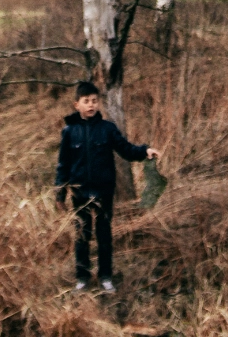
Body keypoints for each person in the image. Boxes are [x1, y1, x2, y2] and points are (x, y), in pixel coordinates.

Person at [54, 79, 160, 292]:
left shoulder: (107, 129)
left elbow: (126, 149)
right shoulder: (69, 132)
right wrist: (59, 194)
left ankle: (105, 277)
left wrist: (144, 151)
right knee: (82, 236)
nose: (91, 105)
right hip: (79, 192)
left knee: (104, 235)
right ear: (77, 105)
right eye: (86, 101)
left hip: (104, 192)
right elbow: (62, 165)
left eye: (94, 101)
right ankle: (82, 278)